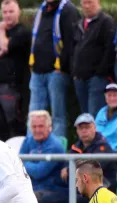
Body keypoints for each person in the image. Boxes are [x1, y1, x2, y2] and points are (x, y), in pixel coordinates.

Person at [38, 113, 117, 203]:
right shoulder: (76, 147)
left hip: (99, 193)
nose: (84, 131)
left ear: (94, 127)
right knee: (45, 201)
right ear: (77, 131)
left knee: (73, 200)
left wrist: (71, 169)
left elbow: (93, 169)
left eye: (87, 127)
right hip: (78, 190)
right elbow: (64, 172)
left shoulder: (103, 146)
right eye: (81, 128)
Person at [28, 0, 80, 137]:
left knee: (58, 116)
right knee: (33, 116)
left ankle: (58, 154)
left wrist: (62, 67)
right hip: (38, 72)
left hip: (56, 73)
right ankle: (31, 154)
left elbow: (71, 43)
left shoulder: (67, 9)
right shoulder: (42, 9)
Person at [0, 0, 30, 141]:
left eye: (11, 11)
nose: (7, 15)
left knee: (14, 123)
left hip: (12, 87)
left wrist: (1, 30)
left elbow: (5, 46)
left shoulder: (22, 32)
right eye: (4, 12)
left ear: (18, 12)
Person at [71, 0, 115, 117]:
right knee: (84, 116)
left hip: (96, 79)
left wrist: (100, 73)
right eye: (84, 3)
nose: (87, 6)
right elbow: (74, 48)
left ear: (98, 2)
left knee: (95, 114)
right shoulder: (79, 23)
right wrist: (74, 71)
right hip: (80, 78)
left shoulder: (106, 22)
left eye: (90, 3)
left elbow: (110, 49)